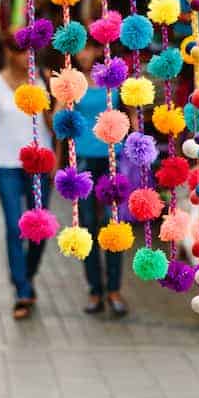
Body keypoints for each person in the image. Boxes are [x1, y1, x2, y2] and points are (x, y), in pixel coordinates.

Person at [0, 32, 53, 320]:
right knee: (13, 226)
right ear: (8, 52)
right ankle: (21, 289)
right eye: (20, 51)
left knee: (40, 227)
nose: (25, 57)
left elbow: (54, 125)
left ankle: (28, 273)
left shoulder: (44, 80)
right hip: (4, 163)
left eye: (30, 51)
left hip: (40, 163)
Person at [75, 39, 128, 318]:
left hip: (112, 157)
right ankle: (95, 289)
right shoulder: (71, 83)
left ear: (97, 51)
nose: (83, 55)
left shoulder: (114, 82)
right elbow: (62, 121)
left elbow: (130, 115)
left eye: (89, 49)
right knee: (87, 225)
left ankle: (115, 290)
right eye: (80, 49)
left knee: (113, 225)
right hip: (83, 157)